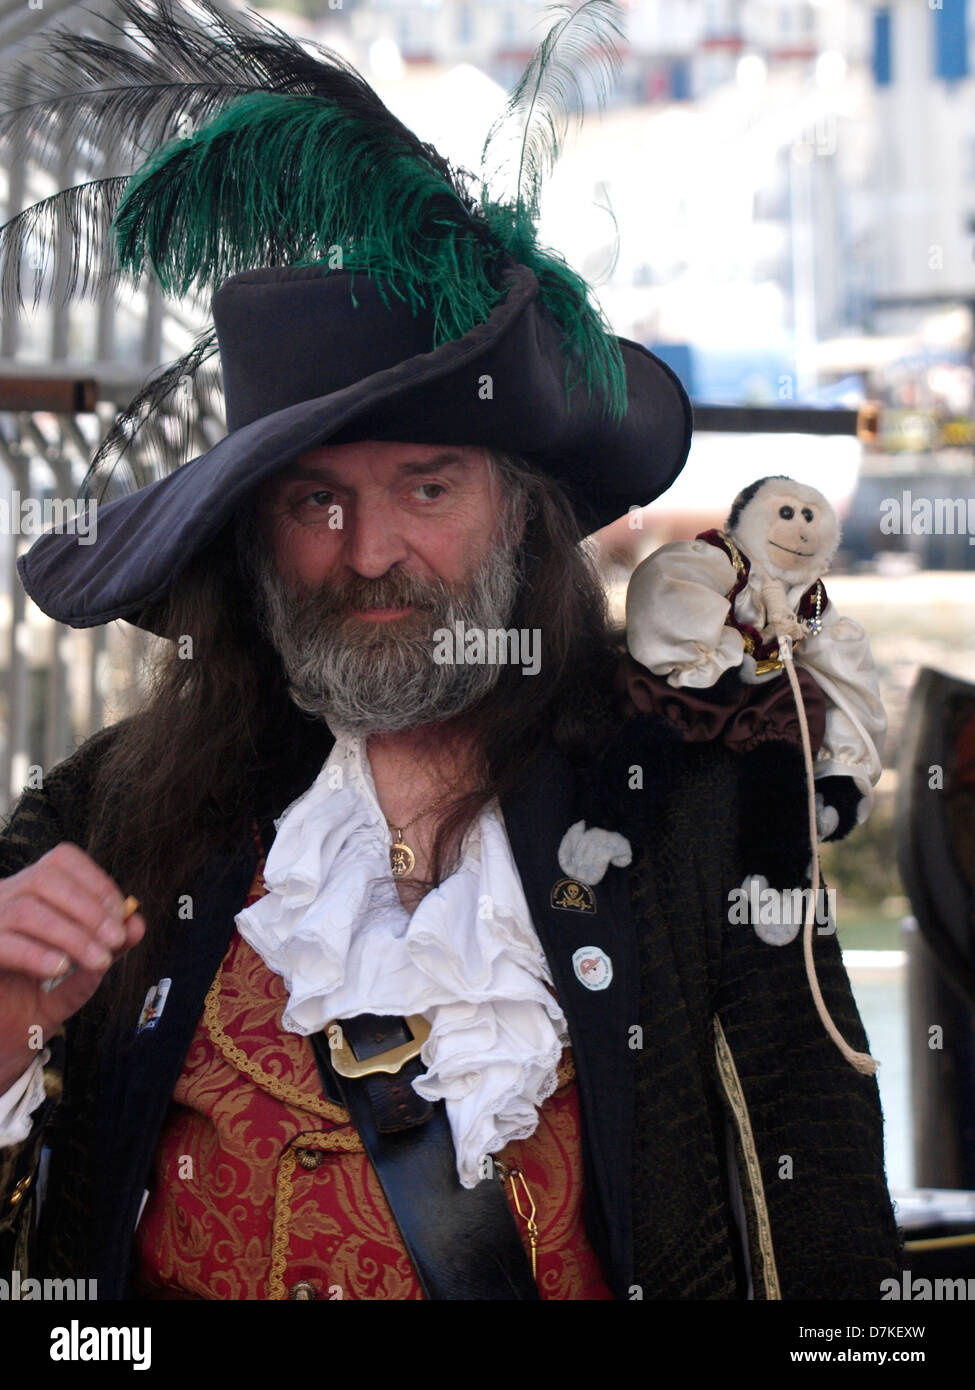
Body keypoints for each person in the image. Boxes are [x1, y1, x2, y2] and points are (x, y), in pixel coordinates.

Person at [0, 0, 902, 1300]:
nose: (370, 551)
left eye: (427, 488)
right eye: (318, 501)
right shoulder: (108, 815)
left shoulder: (699, 803)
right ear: (255, 543)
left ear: (520, 517)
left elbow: (826, 1238)